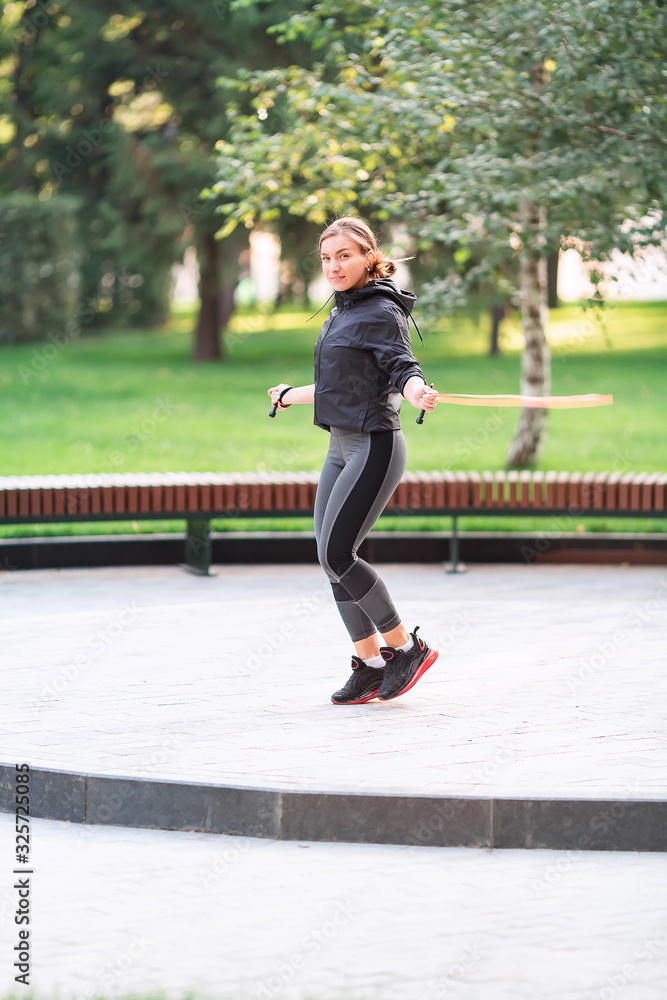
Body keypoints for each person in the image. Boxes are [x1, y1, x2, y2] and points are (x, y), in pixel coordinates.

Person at [268, 216, 439, 705]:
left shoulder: (382, 311)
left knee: (339, 553)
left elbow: (401, 365)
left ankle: (405, 648)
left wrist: (415, 391)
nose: (333, 266)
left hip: (374, 445)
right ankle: (369, 663)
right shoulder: (342, 310)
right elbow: (338, 384)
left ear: (368, 256)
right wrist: (288, 395)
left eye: (343, 255)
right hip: (339, 446)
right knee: (330, 559)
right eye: (326, 258)